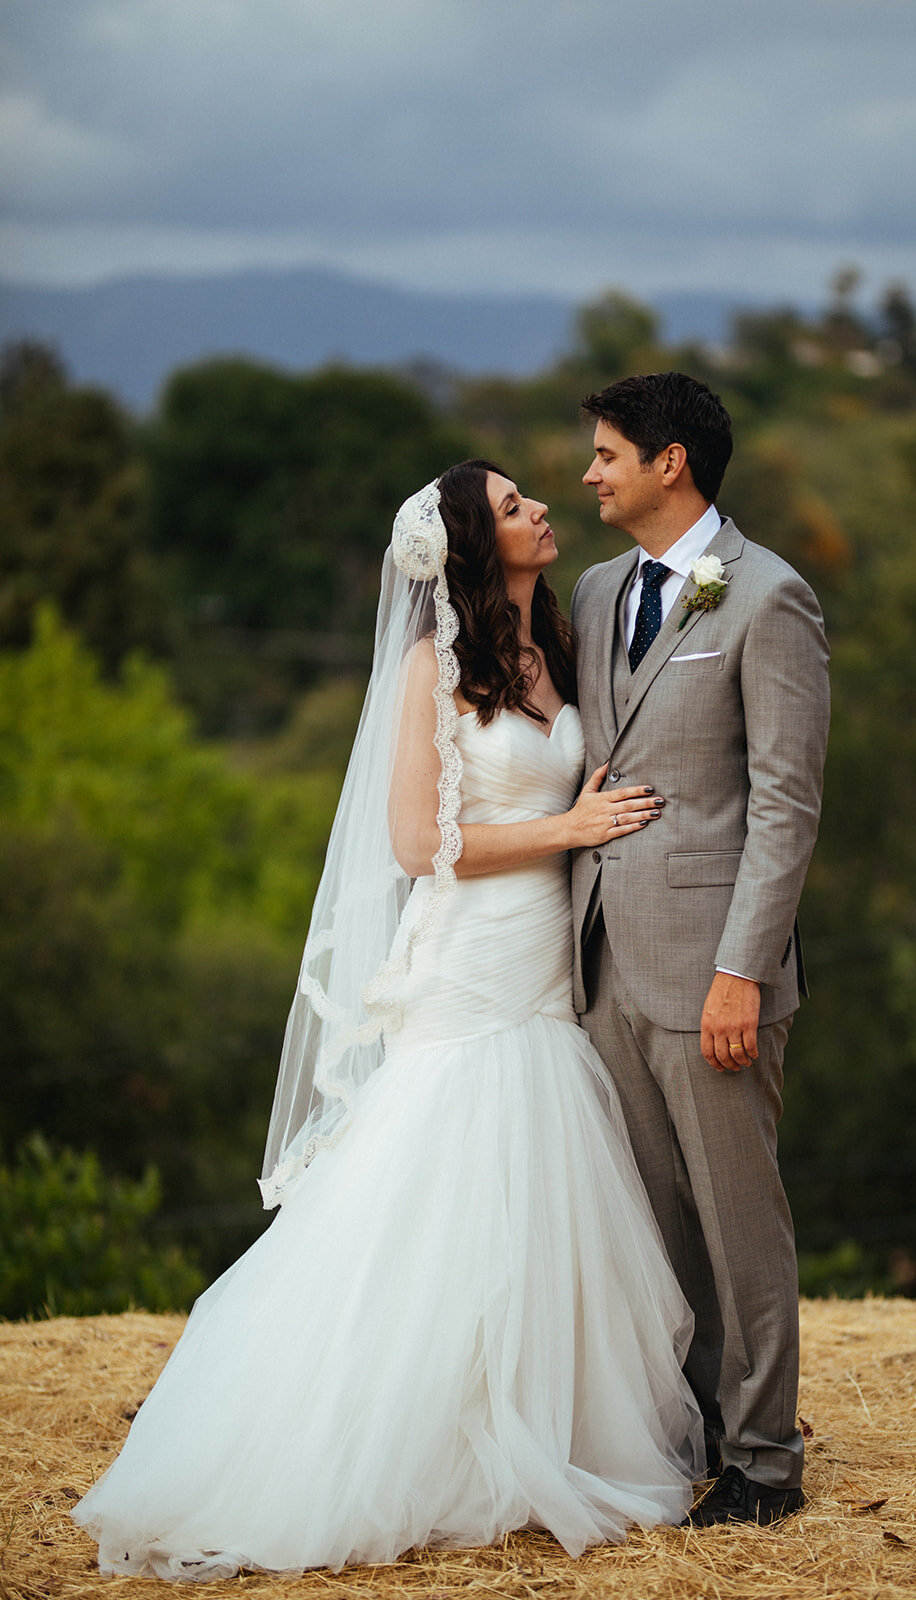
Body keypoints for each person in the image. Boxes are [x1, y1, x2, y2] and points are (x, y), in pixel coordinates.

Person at [72, 459, 705, 1580]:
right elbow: (420, 846)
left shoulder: (555, 645)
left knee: (538, 1180)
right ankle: (378, 1437)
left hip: (547, 963)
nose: (541, 508)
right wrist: (572, 830)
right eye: (513, 507)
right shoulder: (431, 667)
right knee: (447, 1170)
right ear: (472, 541)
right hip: (470, 962)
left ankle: (531, 1422)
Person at [571, 373, 830, 1526]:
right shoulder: (589, 591)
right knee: (657, 1220)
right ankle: (695, 1434)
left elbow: (783, 804)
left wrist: (742, 969)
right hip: (600, 963)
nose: (588, 473)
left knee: (737, 1222)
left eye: (607, 453)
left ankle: (765, 1464)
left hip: (713, 969)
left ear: (669, 462)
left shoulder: (767, 597)